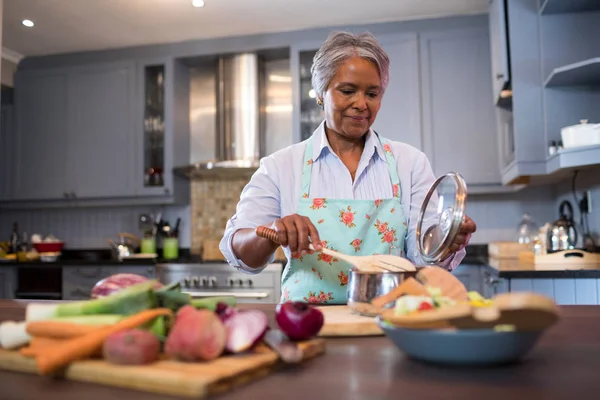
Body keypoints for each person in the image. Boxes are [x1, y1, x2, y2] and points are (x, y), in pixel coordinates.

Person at [219, 30, 477, 305]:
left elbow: (423, 258)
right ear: (321, 93)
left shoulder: (410, 163)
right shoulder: (280, 167)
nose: (361, 104)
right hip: (307, 326)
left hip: (389, 322)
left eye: (372, 93)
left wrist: (447, 237)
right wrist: (271, 231)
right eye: (347, 90)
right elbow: (240, 251)